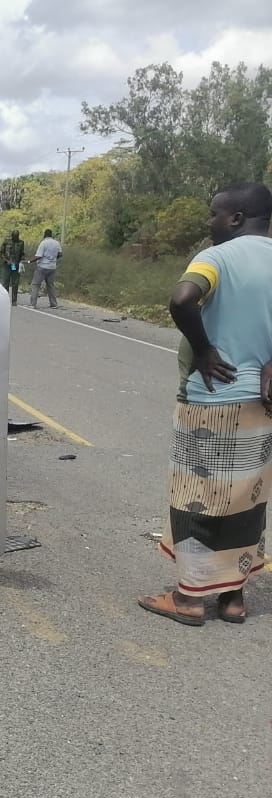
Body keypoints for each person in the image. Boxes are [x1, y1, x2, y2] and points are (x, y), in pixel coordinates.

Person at [138, 182, 272, 627]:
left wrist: (204, 349)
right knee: (246, 499)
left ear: (235, 218)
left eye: (214, 214)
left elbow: (182, 299)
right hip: (261, 403)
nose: (209, 223)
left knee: (196, 498)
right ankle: (233, 598)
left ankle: (189, 598)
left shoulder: (215, 258)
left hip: (212, 400)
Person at [28, 228, 62, 307]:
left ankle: (33, 304)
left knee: (35, 285)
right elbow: (60, 254)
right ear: (51, 235)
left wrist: (29, 261)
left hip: (42, 266)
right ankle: (53, 304)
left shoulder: (43, 243)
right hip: (52, 267)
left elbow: (38, 256)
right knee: (50, 285)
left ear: (45, 235)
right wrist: (53, 258)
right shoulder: (57, 243)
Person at [0, 230, 25, 304]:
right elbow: (1, 254)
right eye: (14, 236)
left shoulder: (21, 243)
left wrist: (22, 260)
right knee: (5, 282)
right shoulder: (6, 242)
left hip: (15, 265)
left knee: (15, 283)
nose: (15, 238)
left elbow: (22, 253)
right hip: (7, 265)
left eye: (17, 236)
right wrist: (7, 261)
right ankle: (5, 300)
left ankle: (14, 301)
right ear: (12, 236)